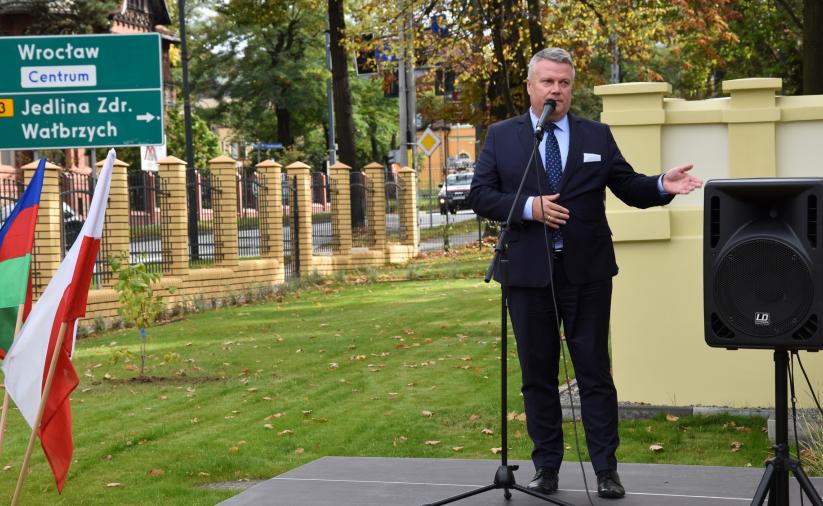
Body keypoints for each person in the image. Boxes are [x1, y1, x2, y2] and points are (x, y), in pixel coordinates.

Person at [469, 47, 702, 499]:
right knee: (538, 375)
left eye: (564, 83)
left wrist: (660, 185)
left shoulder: (596, 134)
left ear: (571, 88)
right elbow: (480, 194)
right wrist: (529, 208)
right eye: (548, 82)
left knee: (594, 372)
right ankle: (547, 469)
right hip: (528, 275)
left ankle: (606, 471)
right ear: (531, 87)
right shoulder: (503, 136)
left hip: (587, 274)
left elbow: (629, 187)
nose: (556, 90)